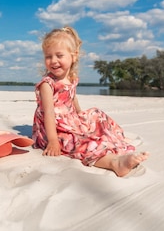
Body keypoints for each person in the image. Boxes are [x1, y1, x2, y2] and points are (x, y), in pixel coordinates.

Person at [32, 26, 149, 177]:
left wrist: (81, 117)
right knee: (76, 142)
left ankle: (117, 138)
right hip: (54, 128)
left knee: (96, 113)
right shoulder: (47, 84)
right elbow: (48, 113)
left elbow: (72, 97)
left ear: (73, 56)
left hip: (70, 120)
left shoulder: (71, 78)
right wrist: (53, 141)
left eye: (59, 55)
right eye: (48, 56)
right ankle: (114, 162)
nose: (53, 61)